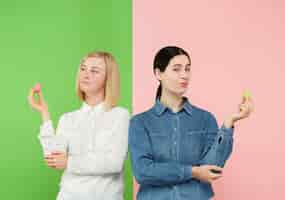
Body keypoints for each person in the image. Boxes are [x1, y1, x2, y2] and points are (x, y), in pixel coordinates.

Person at [129, 46, 253, 200]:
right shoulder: (140, 123)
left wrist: (229, 123)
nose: (184, 75)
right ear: (158, 73)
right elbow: (143, 172)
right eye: (176, 69)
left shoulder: (205, 119)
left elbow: (212, 169)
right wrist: (193, 172)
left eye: (187, 69)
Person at [28, 51, 130, 200]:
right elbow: (54, 158)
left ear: (108, 78)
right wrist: (44, 114)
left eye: (94, 71)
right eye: (83, 69)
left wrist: (70, 161)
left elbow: (114, 163)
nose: (86, 74)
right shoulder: (67, 119)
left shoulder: (120, 115)